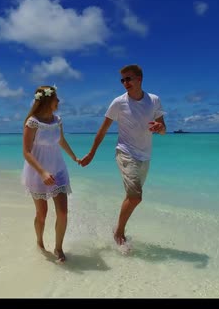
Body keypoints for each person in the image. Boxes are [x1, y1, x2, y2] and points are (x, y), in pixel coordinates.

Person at [79, 64, 166, 249]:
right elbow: (103, 130)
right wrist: (92, 153)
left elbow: (163, 129)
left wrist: (160, 128)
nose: (125, 83)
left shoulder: (154, 100)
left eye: (129, 79)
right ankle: (119, 232)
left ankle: (117, 228)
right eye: (123, 80)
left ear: (139, 79)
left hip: (145, 155)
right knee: (136, 197)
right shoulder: (118, 102)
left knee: (132, 195)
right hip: (125, 152)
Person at [22, 85, 79, 263]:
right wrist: (42, 172)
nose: (59, 101)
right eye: (56, 98)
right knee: (42, 213)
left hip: (59, 169)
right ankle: (39, 243)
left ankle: (58, 248)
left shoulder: (58, 120)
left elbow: (61, 140)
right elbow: (26, 151)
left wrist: (75, 157)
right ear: (48, 100)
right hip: (38, 172)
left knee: (63, 212)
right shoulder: (32, 121)